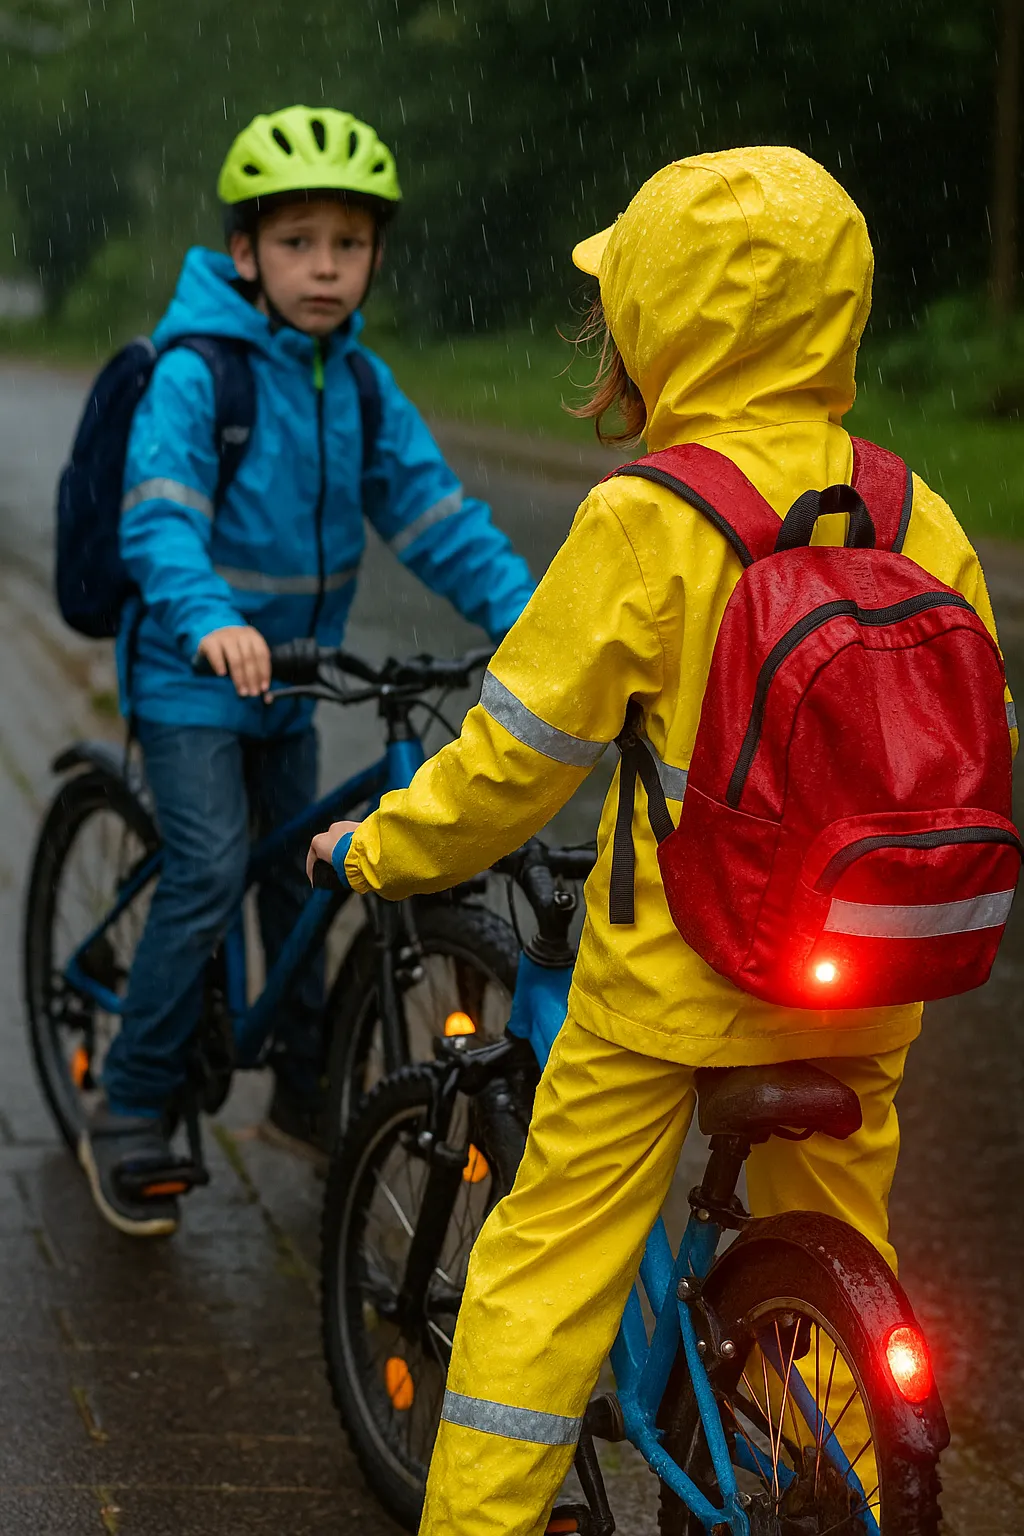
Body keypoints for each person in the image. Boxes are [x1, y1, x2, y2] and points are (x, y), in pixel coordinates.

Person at [308, 146, 1015, 1534]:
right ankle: (861, 1489)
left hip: (676, 990)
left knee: (544, 1270)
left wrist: (380, 852)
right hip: (865, 977)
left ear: (655, 321)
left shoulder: (647, 521)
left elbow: (514, 763)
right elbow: (974, 721)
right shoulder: (914, 509)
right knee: (841, 1248)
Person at [79, 104, 535, 1240]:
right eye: (296, 243)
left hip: (293, 681)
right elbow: (161, 521)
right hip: (197, 672)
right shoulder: (199, 375)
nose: (324, 267)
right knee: (209, 869)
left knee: (307, 874)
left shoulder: (363, 386)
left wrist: (537, 620)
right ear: (246, 254)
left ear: (373, 255)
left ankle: (296, 1087)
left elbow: (439, 521)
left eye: (347, 244)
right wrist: (207, 621)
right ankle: (131, 1108)